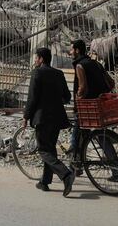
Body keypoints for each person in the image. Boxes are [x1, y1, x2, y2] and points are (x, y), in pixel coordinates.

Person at [23, 47, 76, 197]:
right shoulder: (58, 74)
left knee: (43, 150)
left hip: (42, 118)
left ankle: (66, 175)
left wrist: (26, 116)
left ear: (40, 59)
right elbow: (66, 97)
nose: (35, 61)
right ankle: (45, 182)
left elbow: (32, 98)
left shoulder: (37, 73)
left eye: (36, 58)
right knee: (50, 148)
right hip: (57, 118)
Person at [69, 39, 118, 180]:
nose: (70, 52)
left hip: (86, 108)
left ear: (77, 50)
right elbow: (111, 83)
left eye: (71, 50)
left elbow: (82, 88)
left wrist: (77, 103)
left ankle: (74, 168)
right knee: (101, 136)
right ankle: (117, 171)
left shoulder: (80, 66)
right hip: (100, 106)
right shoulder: (96, 63)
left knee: (76, 137)